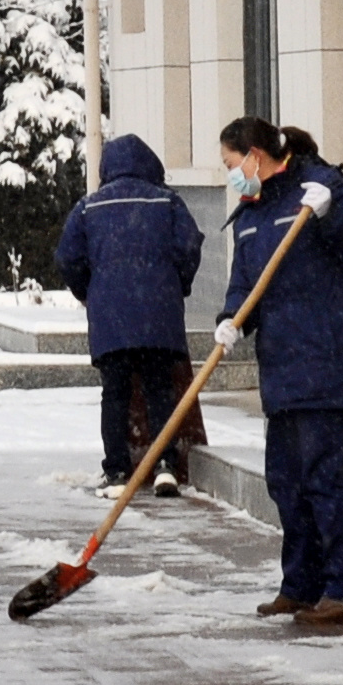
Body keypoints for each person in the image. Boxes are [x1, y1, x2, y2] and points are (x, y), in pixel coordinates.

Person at [215, 117, 343, 631]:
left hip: (329, 357)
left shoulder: (323, 189)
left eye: (231, 164)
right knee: (286, 480)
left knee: (323, 477)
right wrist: (230, 319)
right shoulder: (252, 211)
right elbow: (245, 281)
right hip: (282, 364)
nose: (231, 175)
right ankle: (302, 584)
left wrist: (331, 216)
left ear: (255, 155)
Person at [49, 134, 211, 491]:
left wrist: (89, 291)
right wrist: (176, 285)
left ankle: (118, 469)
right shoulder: (167, 202)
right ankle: (165, 464)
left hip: (110, 317)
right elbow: (189, 246)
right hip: (159, 314)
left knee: (115, 393)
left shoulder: (89, 207)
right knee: (160, 388)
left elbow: (67, 258)